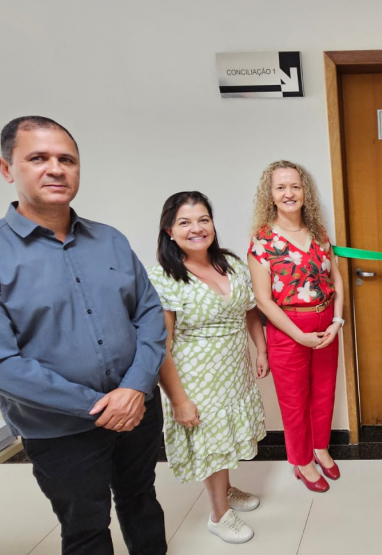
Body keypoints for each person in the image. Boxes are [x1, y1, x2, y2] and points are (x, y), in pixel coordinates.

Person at [0, 116, 168, 555]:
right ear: (6, 168)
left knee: (141, 498)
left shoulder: (110, 240)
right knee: (86, 526)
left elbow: (149, 315)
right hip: (59, 427)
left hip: (138, 408)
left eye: (67, 159)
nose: (55, 169)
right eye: (38, 158)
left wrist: (134, 389)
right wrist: (99, 406)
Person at [148, 191, 268, 544]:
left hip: (233, 371)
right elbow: (161, 347)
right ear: (169, 231)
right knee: (211, 443)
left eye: (203, 219)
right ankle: (218, 515)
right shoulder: (163, 277)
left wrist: (261, 349)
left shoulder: (231, 264)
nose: (196, 228)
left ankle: (225, 491)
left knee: (225, 436)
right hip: (195, 378)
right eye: (184, 222)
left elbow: (250, 310)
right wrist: (179, 400)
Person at [247, 160, 344, 493]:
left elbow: (336, 279)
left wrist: (337, 321)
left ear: (305, 192)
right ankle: (302, 462)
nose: (289, 193)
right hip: (288, 330)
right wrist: (299, 334)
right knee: (294, 400)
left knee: (324, 392)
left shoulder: (318, 233)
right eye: (281, 187)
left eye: (295, 186)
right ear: (271, 195)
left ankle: (320, 448)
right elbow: (263, 301)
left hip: (326, 324)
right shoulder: (262, 241)